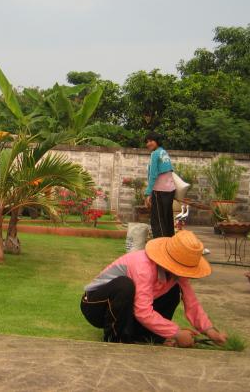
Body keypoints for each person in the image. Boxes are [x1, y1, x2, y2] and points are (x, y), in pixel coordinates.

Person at [80, 230, 228, 348]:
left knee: (174, 292)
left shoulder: (177, 273)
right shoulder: (143, 266)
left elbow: (192, 303)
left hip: (126, 309)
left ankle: (150, 337)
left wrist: (210, 331)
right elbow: (143, 312)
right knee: (125, 286)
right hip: (95, 305)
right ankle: (116, 339)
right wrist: (176, 332)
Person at [144, 132, 176, 237]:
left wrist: (148, 193)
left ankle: (160, 246)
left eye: (151, 141)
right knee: (167, 220)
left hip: (160, 191)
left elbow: (153, 175)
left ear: (157, 141)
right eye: (147, 141)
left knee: (157, 220)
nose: (148, 143)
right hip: (170, 190)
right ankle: (170, 244)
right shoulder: (163, 152)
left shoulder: (155, 154)